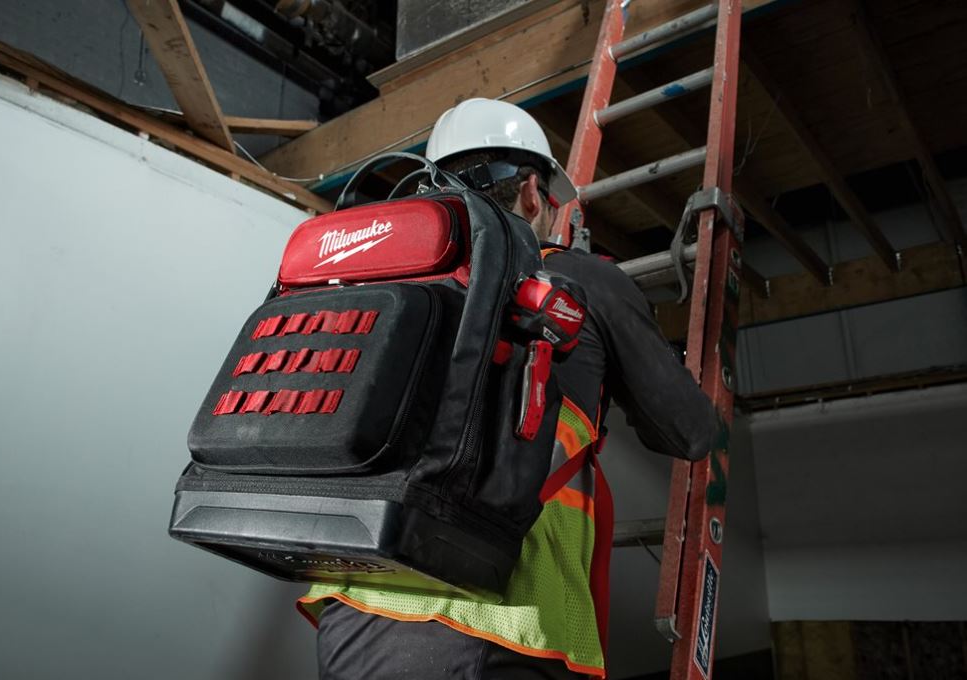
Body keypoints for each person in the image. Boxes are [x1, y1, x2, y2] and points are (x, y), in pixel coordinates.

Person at [297, 98, 720, 680]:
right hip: (501, 622)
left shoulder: (394, 285)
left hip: (354, 608)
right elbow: (690, 432)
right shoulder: (579, 279)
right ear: (530, 191)